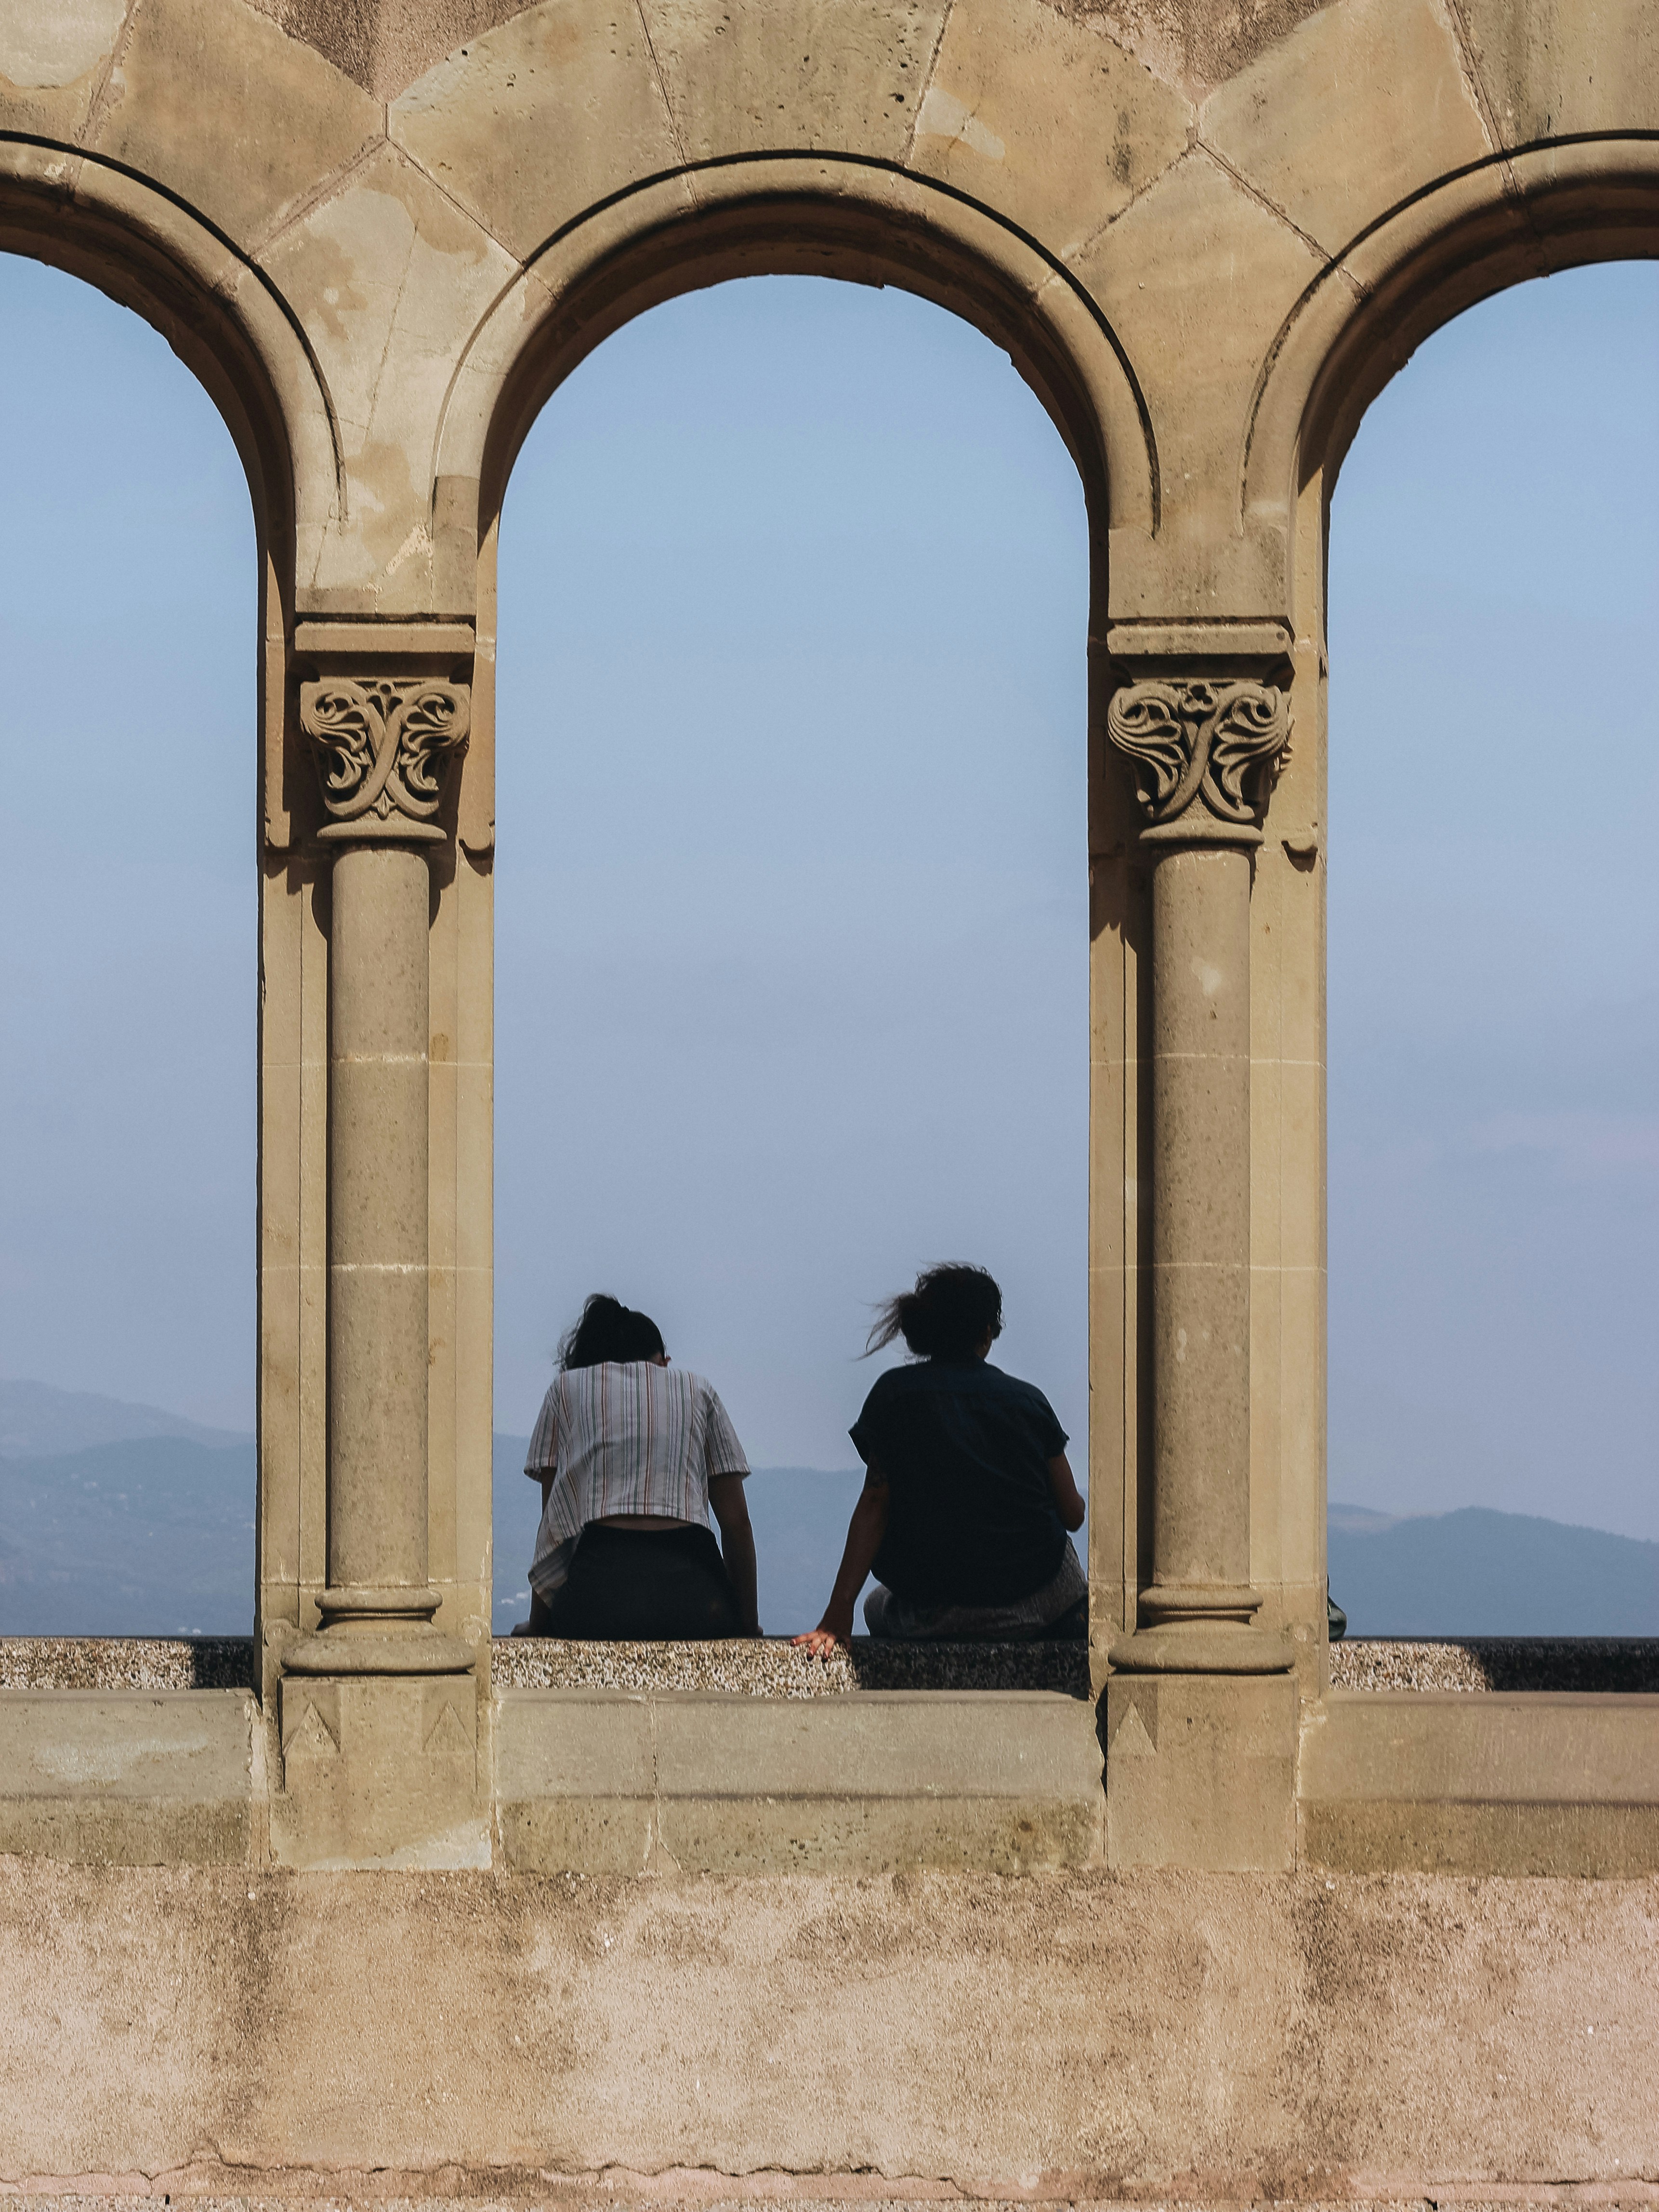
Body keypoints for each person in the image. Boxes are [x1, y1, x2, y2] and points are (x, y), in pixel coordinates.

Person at [794, 1264, 1086, 1655]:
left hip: (933, 1616)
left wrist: (837, 1612)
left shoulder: (893, 1396)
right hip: (1038, 1607)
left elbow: (875, 1503)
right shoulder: (1028, 1401)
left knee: (874, 1605)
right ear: (986, 1332)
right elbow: (1073, 1515)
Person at [518, 1293, 760, 1639]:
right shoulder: (697, 1388)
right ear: (661, 1361)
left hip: (597, 1600)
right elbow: (737, 1524)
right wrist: (747, 1624)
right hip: (699, 1600)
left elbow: (554, 1529)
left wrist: (538, 1625)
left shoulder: (567, 1389)